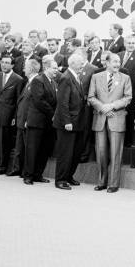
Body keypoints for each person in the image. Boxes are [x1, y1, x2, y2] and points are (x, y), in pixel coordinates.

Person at [88, 53, 132, 193]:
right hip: (100, 118)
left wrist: (112, 106)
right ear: (106, 63)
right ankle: (102, 181)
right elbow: (91, 97)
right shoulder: (96, 77)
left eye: (119, 62)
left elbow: (128, 98)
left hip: (117, 118)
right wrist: (103, 108)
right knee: (100, 153)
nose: (117, 64)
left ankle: (113, 183)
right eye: (114, 61)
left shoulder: (125, 78)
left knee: (115, 153)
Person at [53, 54, 88, 190]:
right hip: (68, 123)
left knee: (75, 152)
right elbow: (62, 103)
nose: (82, 66)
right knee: (65, 152)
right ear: (72, 63)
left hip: (78, 121)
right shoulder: (66, 78)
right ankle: (60, 179)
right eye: (81, 63)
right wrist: (67, 121)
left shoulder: (75, 76)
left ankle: (68, 176)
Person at [23, 59, 58, 185]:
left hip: (48, 123)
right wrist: (53, 114)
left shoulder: (54, 82)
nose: (56, 70)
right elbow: (39, 101)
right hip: (37, 121)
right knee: (32, 150)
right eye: (54, 68)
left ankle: (38, 174)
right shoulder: (38, 80)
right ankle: (28, 175)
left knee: (44, 150)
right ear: (46, 68)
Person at [7, 59, 40, 177]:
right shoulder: (28, 81)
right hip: (21, 118)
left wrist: (27, 119)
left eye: (25, 67)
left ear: (31, 69)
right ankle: (17, 169)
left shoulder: (36, 81)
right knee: (19, 146)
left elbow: (33, 104)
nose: (23, 69)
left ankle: (24, 171)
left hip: (28, 119)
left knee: (26, 147)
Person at [119, 36, 135, 147]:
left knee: (129, 118)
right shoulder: (119, 55)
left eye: (133, 43)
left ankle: (127, 142)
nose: (131, 45)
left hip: (131, 91)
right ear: (125, 43)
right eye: (129, 42)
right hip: (117, 92)